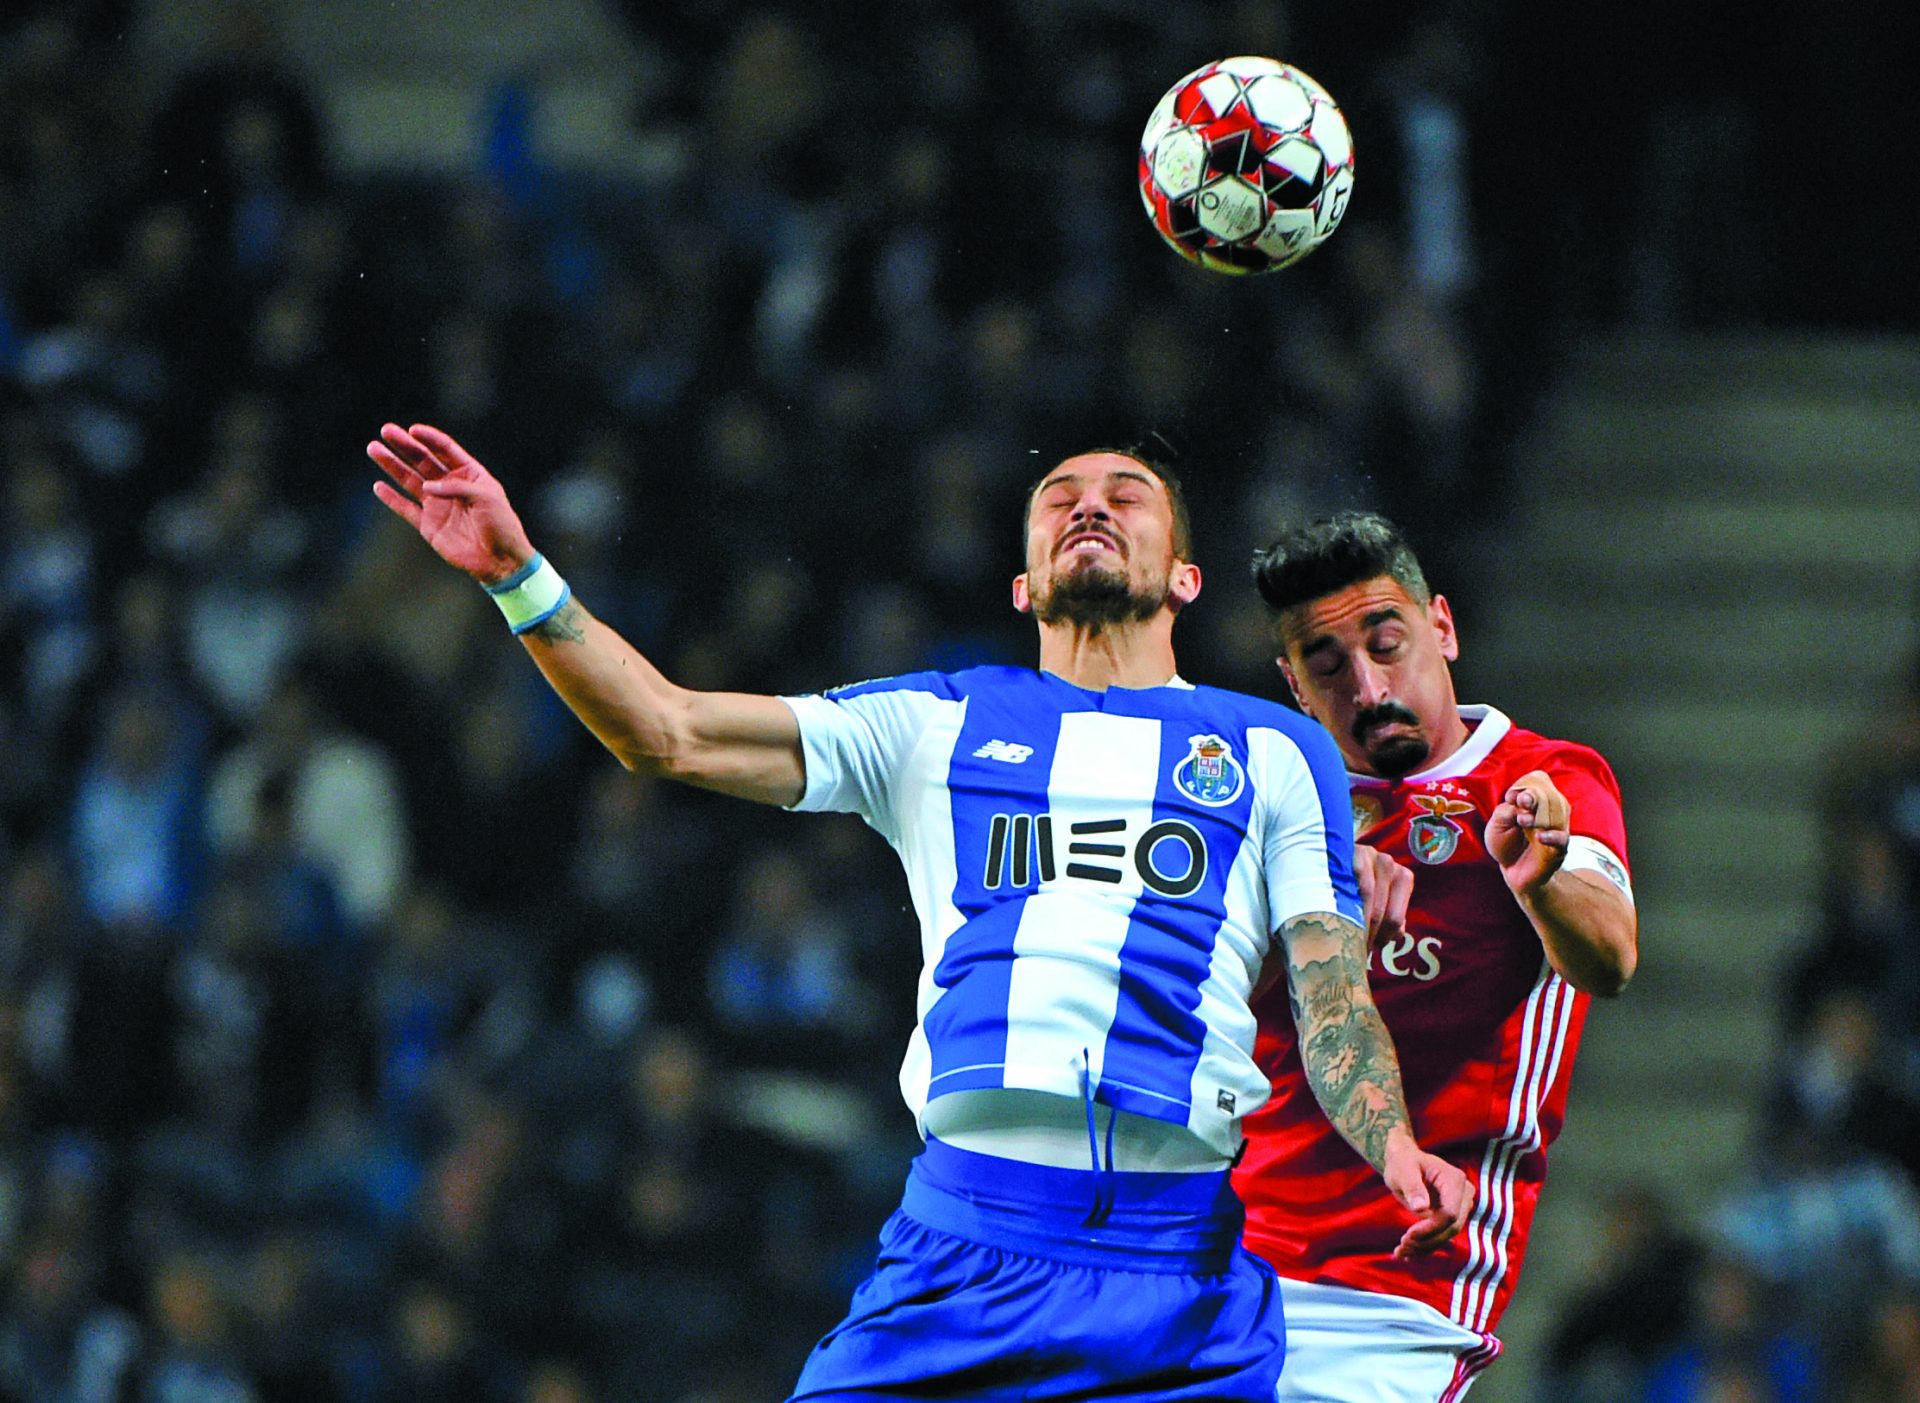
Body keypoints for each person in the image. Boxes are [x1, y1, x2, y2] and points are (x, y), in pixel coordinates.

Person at [367, 424, 1474, 1401]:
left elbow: (1333, 991)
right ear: (1022, 586)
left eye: (1126, 493)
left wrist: (1392, 1142)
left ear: (1185, 576)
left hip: (1175, 1266)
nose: (1089, 502)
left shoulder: (1272, 749)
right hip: (965, 1241)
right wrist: (520, 575)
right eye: (1060, 497)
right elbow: (668, 729)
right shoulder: (934, 724)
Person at [1236, 511, 1638, 1401]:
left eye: (1389, 644)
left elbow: (1609, 957)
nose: (1370, 685)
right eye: (1328, 666)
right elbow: (1189, 1011)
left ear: (1442, 627)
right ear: (1294, 684)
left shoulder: (1544, 781)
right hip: (1219, 1259)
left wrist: (1538, 880)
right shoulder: (1273, 805)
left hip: (1400, 1289)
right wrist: (1307, 922)